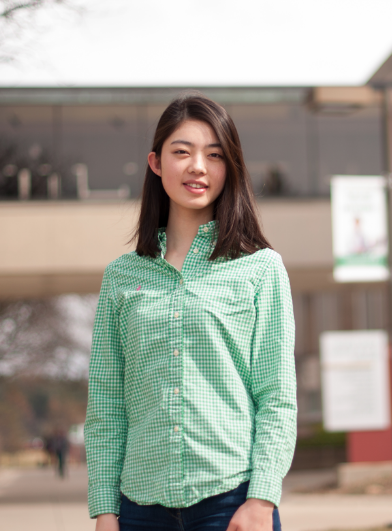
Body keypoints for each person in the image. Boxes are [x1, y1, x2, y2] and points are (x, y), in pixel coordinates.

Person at [85, 94, 297, 531]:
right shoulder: (122, 278)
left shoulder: (260, 269)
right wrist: (106, 511)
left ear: (229, 167)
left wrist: (261, 499)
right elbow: (106, 406)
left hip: (232, 501)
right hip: (139, 509)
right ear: (156, 163)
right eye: (182, 152)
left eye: (214, 155)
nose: (198, 166)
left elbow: (276, 397)